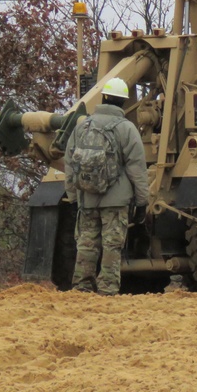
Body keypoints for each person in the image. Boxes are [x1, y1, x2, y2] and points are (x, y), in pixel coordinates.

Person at [64, 77, 149, 295]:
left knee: (86, 242)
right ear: (123, 102)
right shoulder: (127, 129)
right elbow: (136, 169)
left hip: (87, 197)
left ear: (103, 98)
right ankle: (108, 288)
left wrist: (73, 198)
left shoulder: (82, 126)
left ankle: (82, 286)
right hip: (116, 199)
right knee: (112, 244)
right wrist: (142, 202)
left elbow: (70, 165)